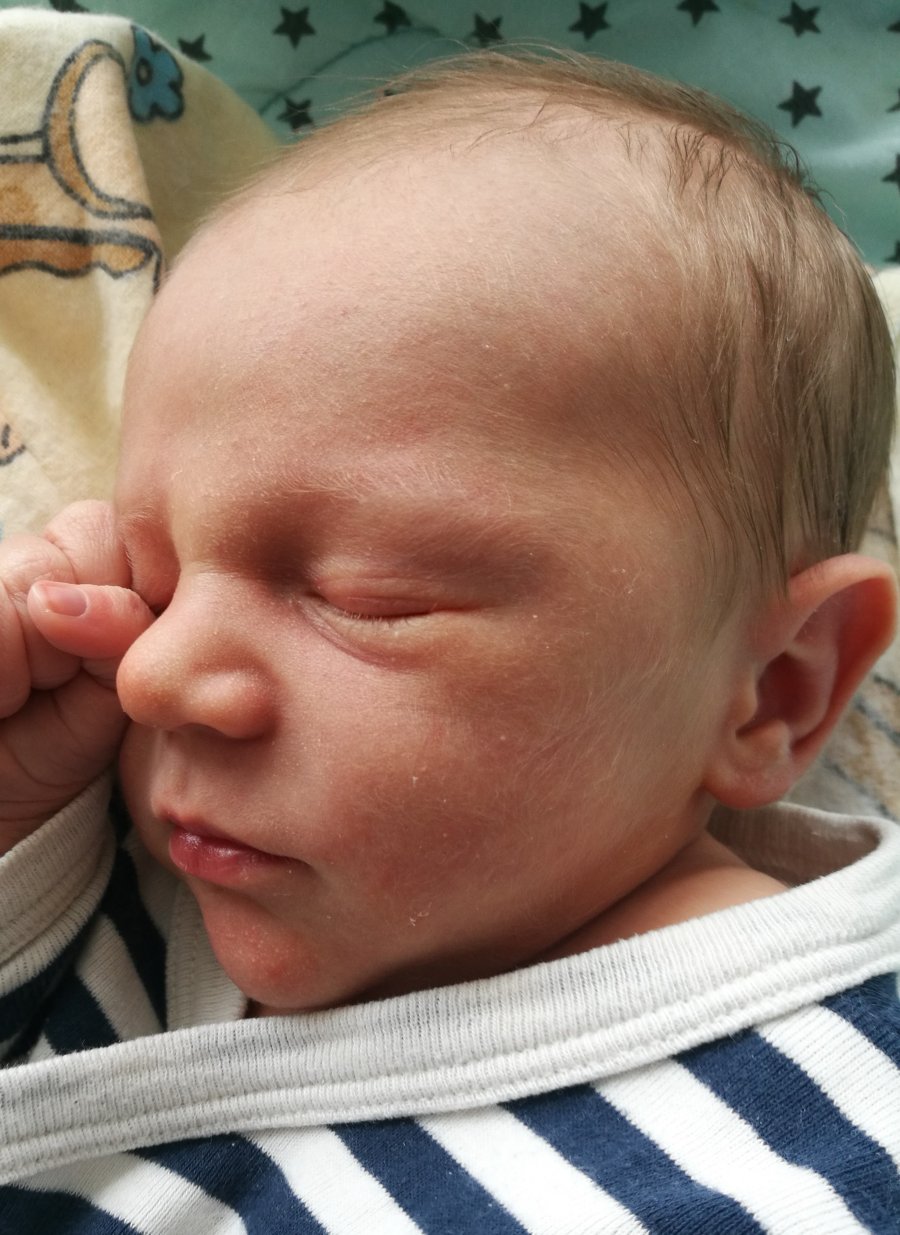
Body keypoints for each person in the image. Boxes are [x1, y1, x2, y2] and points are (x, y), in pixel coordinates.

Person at [1, 49, 898, 1233]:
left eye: (368, 595)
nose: (158, 673)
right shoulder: (134, 896)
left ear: (775, 685)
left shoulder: (839, 1123)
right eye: (153, 580)